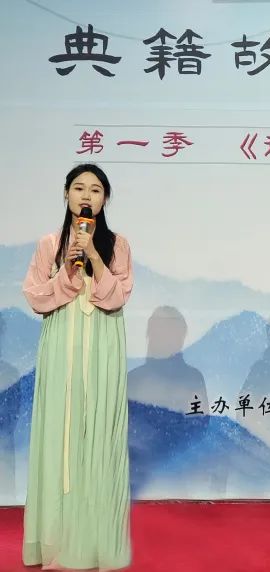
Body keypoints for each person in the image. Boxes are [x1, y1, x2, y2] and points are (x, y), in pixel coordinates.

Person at [22, 164, 133, 570]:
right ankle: (56, 540)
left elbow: (117, 296)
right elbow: (36, 297)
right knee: (60, 435)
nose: (87, 195)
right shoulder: (49, 244)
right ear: (66, 194)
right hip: (61, 348)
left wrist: (94, 258)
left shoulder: (118, 245)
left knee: (97, 434)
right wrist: (66, 272)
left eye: (96, 190)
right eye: (79, 188)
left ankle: (94, 542)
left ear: (105, 199)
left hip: (102, 346)